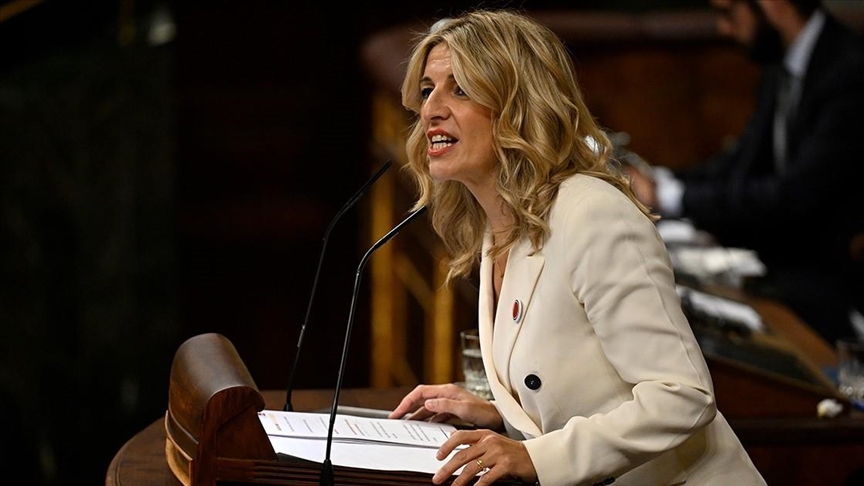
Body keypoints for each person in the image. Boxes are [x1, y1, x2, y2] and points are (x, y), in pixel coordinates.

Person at [386, 9, 766, 486]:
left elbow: (682, 396)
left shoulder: (592, 214)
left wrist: (536, 457)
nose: (430, 111)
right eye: (427, 91)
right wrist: (503, 414)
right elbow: (581, 383)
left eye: (459, 89)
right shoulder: (497, 225)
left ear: (518, 106)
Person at [628, 0, 864, 345]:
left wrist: (667, 196)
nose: (723, 28)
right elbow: (740, 163)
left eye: (729, 13)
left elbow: (792, 195)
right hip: (781, 267)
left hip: (831, 288)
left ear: (774, 5)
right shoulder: (782, 63)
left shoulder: (849, 70)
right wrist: (662, 180)